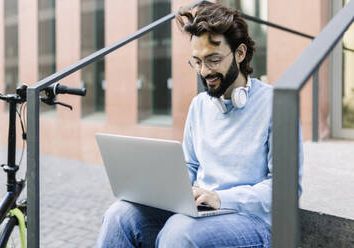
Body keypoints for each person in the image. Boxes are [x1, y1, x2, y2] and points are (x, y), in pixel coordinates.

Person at [96, 2, 303, 248]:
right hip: (202, 213)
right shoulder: (199, 105)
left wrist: (220, 198)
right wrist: (163, 189)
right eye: (197, 61)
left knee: (179, 233)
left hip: (254, 221)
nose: (204, 71)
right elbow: (190, 165)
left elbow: (286, 188)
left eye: (213, 60)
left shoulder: (275, 104)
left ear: (239, 53)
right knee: (120, 216)